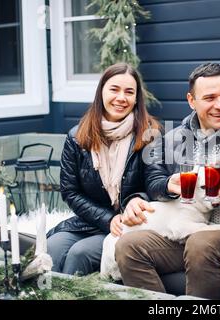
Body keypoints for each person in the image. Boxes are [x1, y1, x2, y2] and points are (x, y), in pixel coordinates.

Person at [114, 62, 220, 299]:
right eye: (209, 98)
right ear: (191, 101)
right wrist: (152, 192)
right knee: (128, 246)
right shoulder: (173, 139)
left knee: (201, 242)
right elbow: (153, 183)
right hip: (186, 226)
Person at [46, 63, 160, 275]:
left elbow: (155, 184)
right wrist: (106, 219)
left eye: (129, 92)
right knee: (51, 248)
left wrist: (133, 203)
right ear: (101, 92)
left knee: (79, 254)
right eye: (114, 89)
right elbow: (70, 191)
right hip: (90, 221)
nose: (121, 98)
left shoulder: (149, 135)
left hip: (129, 224)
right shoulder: (77, 137)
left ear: (136, 99)